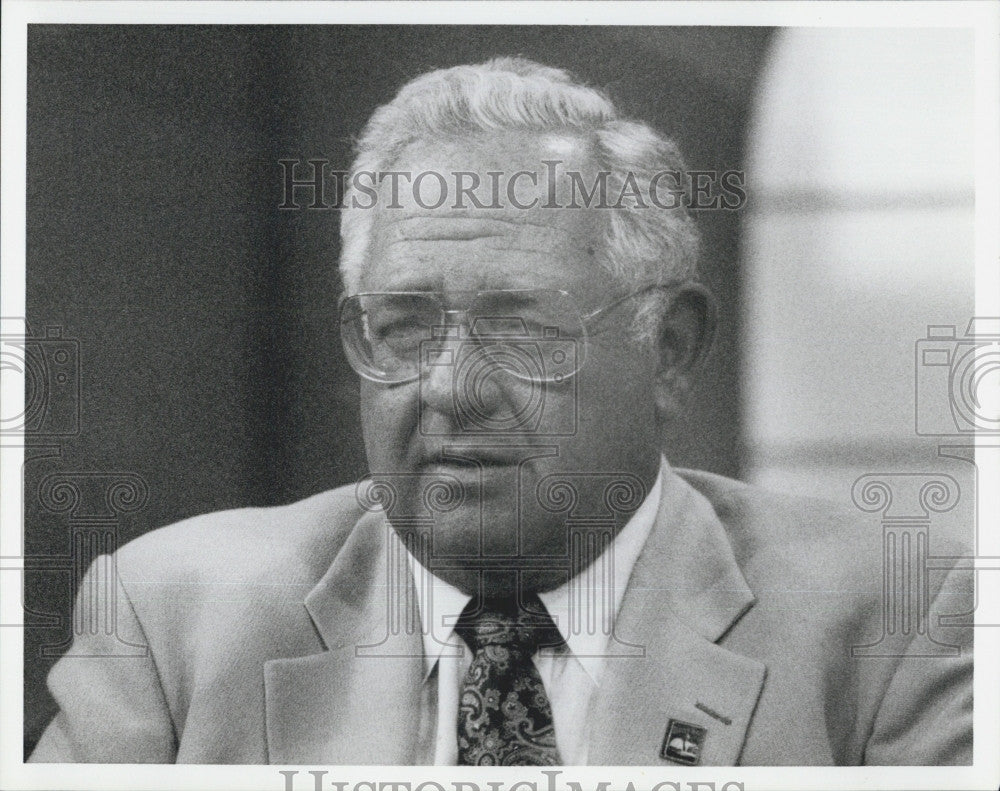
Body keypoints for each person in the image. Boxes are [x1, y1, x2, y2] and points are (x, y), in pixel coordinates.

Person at [30, 57, 972, 766]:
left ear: (671, 350)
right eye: (401, 330)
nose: (449, 387)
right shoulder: (170, 618)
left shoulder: (889, 622)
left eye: (520, 329)